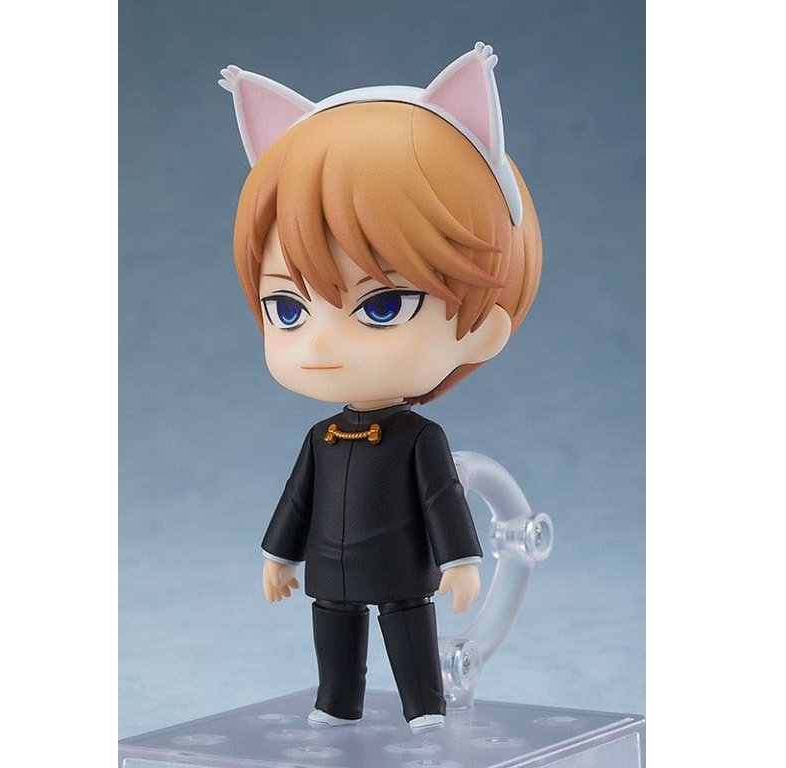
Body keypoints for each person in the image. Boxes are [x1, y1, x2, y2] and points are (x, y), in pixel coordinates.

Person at [221, 42, 542, 733]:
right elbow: (297, 498)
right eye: (288, 309)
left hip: (402, 574)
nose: (321, 344)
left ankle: (424, 705)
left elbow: (443, 499)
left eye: (382, 305)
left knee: (408, 632)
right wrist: (278, 555)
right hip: (330, 574)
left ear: (482, 326)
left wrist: (461, 562)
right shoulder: (321, 436)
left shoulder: (420, 438)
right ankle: (336, 703)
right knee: (333, 635)